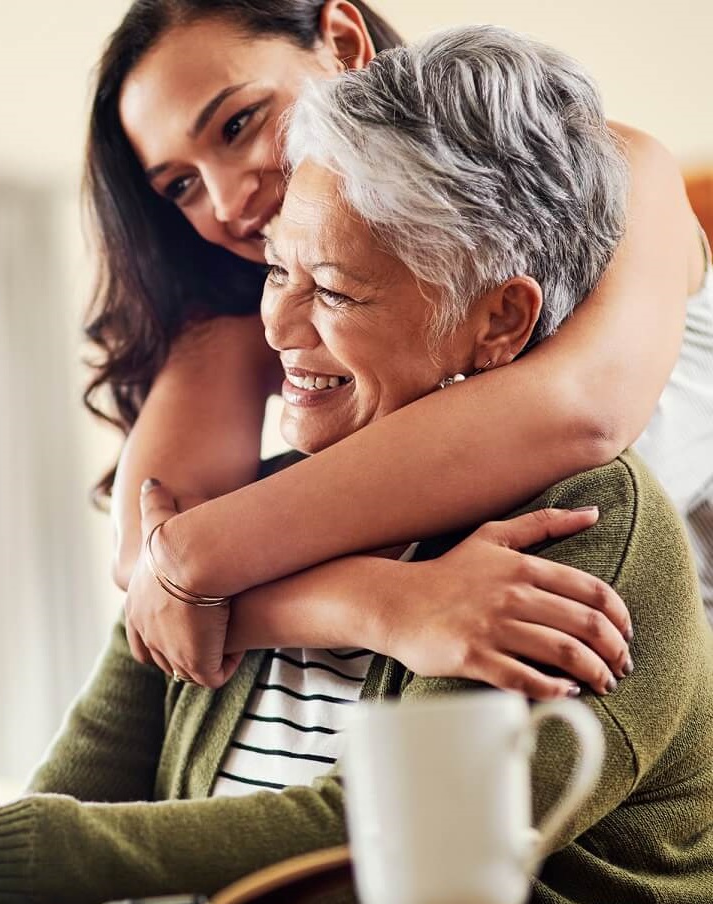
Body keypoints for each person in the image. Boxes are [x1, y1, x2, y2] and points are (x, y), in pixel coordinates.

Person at [0, 27, 713, 904]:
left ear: (498, 323)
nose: (280, 327)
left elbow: (362, 843)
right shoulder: (261, 506)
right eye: (277, 270)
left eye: (335, 290)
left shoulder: (582, 524)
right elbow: (74, 797)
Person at [89, 0, 711, 691]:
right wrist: (379, 605)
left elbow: (583, 410)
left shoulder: (610, 170)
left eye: (239, 124)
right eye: (182, 185)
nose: (228, 202)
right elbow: (145, 561)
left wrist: (193, 558)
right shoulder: (258, 302)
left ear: (343, 41)